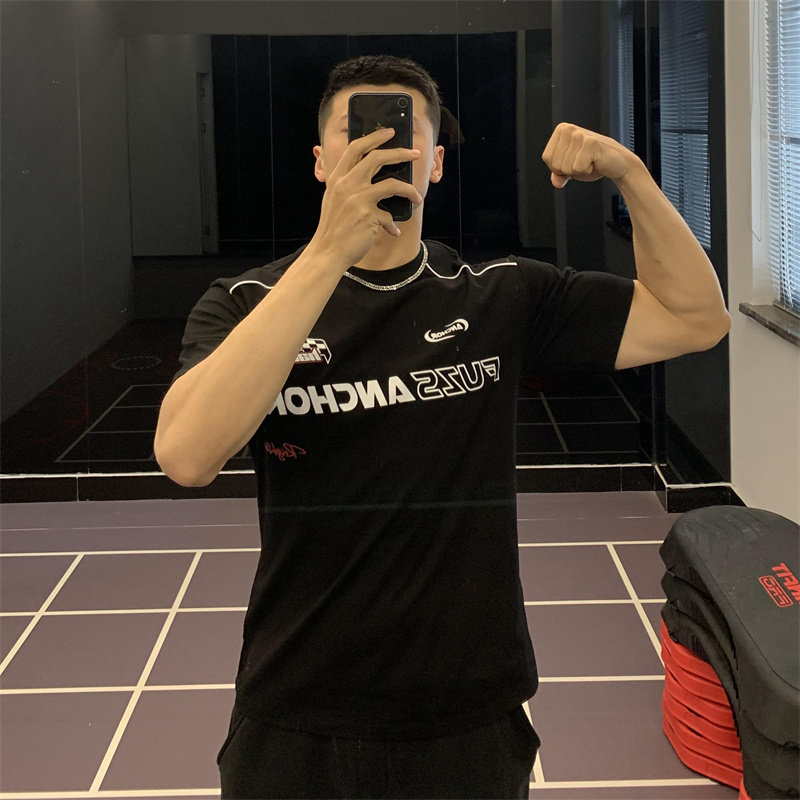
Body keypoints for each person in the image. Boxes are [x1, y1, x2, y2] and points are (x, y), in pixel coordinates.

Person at [154, 55, 730, 799]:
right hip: (298, 707)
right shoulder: (242, 302)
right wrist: (328, 254)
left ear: (435, 164)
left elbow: (694, 317)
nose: (380, 150)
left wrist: (633, 176)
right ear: (322, 162)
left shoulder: (497, 296)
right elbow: (187, 456)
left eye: (402, 136)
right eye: (357, 135)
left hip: (467, 712)